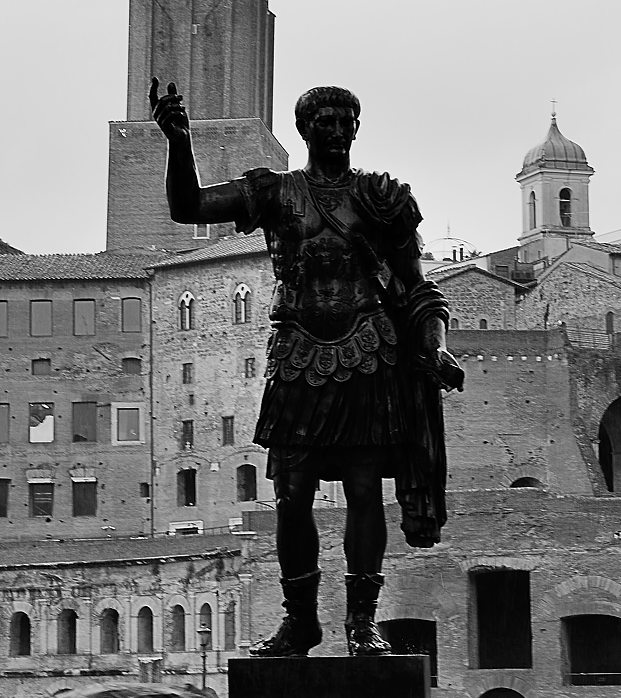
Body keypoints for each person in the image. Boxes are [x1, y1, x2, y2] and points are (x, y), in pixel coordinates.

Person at [151, 77, 464, 656]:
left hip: (368, 352)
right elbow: (187, 206)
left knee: (366, 490)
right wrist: (178, 140)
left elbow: (420, 291)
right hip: (298, 353)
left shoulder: (379, 198)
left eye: (348, 122)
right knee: (291, 493)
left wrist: (435, 344)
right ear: (306, 129)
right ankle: (301, 622)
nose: (340, 131)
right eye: (327, 122)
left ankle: (361, 625)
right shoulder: (276, 193)